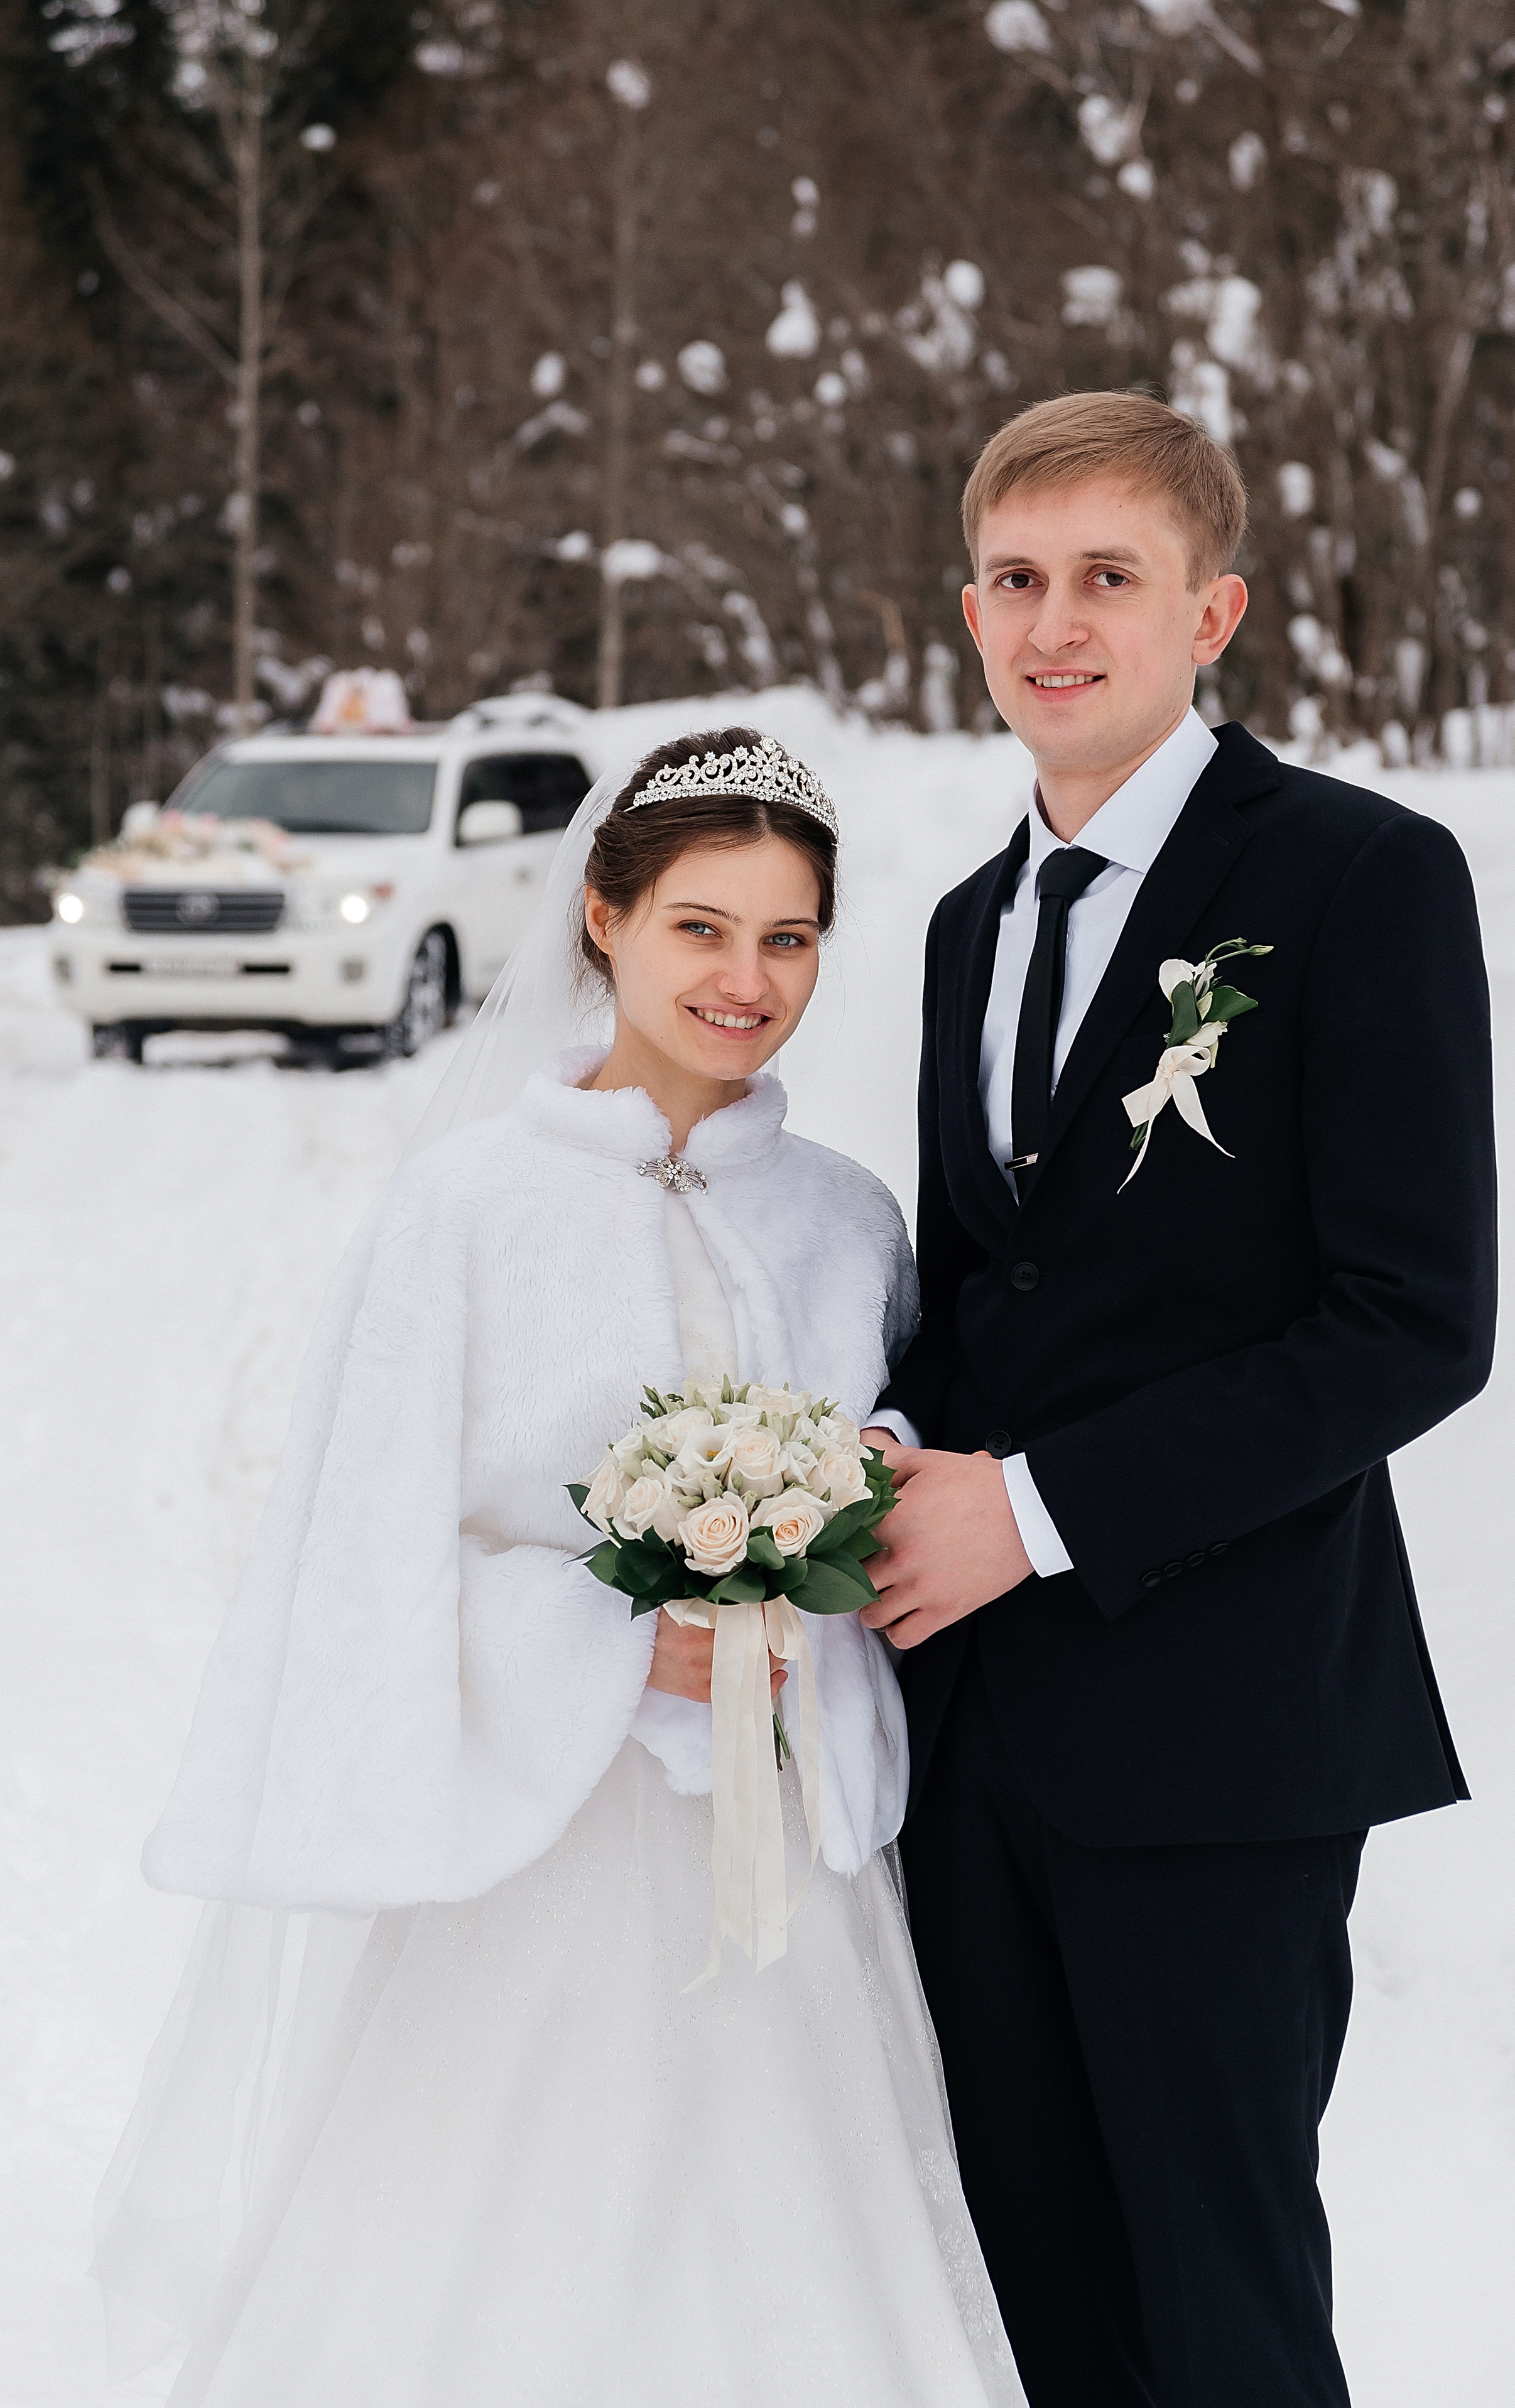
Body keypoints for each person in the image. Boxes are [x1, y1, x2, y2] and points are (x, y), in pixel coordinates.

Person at [94, 729, 1028, 2408]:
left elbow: (886, 1450)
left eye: (790, 937)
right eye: (699, 925)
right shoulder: (465, 1211)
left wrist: (861, 1483)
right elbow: (365, 1563)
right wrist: (605, 1639)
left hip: (789, 1871)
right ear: (604, 917)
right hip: (545, 1844)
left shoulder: (845, 1218)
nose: (746, 978)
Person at [861, 391, 1497, 2408]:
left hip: (1224, 1727)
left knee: (1220, 2300)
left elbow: (1413, 1320)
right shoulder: (971, 925)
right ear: (970, 609)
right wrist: (862, 1463)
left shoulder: (1360, 876)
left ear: (1210, 610)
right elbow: (997, 1300)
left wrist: (1038, 1507)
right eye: (1021, 581)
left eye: (1110, 578)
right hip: (972, 1740)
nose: (1058, 623)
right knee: (1041, 2285)